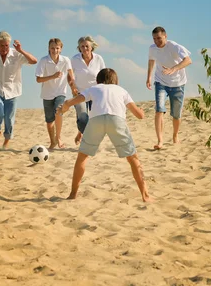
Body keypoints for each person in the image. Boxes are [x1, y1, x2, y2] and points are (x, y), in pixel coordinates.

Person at [57, 68, 151, 202]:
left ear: (98, 80)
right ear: (115, 81)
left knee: (82, 157)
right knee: (133, 158)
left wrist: (64, 107)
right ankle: (145, 195)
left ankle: (73, 194)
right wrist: (141, 111)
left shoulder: (94, 88)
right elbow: (139, 115)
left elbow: (71, 101)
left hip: (96, 120)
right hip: (116, 120)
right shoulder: (121, 90)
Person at [145, 26, 192, 150]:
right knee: (159, 110)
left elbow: (188, 60)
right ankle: (160, 141)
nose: (156, 41)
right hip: (161, 82)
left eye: (159, 38)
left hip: (178, 83)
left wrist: (174, 69)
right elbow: (151, 61)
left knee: (176, 114)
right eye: (154, 39)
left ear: (165, 36)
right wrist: (149, 77)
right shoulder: (152, 48)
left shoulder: (175, 47)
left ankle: (175, 136)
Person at [35, 38, 76, 150]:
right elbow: (38, 79)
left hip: (60, 92)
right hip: (47, 94)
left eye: (57, 48)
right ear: (49, 48)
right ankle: (52, 141)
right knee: (49, 121)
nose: (55, 50)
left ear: (61, 49)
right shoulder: (43, 60)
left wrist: (73, 86)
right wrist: (52, 76)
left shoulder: (66, 60)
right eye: (52, 48)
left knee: (59, 111)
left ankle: (58, 138)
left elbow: (71, 75)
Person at [70, 36, 106, 145]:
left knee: (94, 118)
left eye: (87, 46)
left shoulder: (98, 59)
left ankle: (81, 133)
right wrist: (73, 88)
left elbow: (104, 75)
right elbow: (69, 75)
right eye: (82, 46)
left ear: (91, 47)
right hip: (80, 93)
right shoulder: (75, 59)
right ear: (79, 48)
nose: (85, 48)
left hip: (95, 93)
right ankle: (89, 140)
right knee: (82, 117)